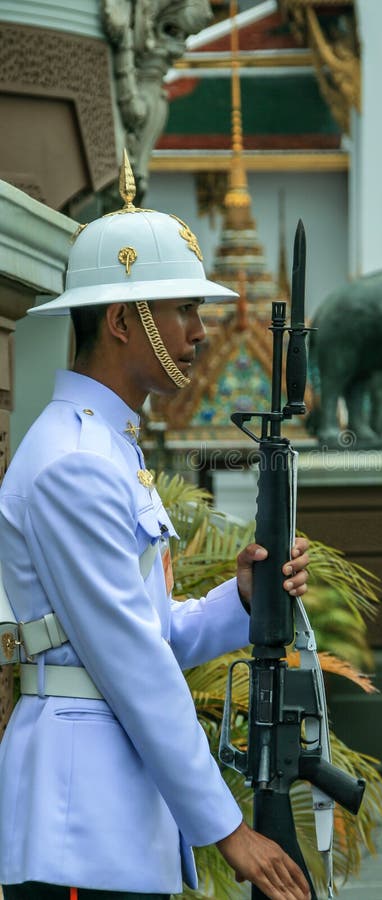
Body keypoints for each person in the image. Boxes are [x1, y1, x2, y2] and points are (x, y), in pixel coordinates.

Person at [0, 155, 311, 900]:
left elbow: (153, 633)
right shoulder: (75, 461)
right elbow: (134, 662)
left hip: (109, 818)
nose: (200, 333)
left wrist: (240, 599)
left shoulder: (107, 447)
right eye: (182, 311)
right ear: (119, 321)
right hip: (78, 824)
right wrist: (228, 830)